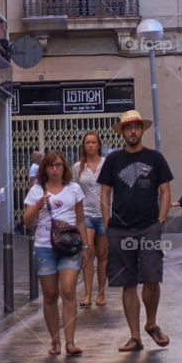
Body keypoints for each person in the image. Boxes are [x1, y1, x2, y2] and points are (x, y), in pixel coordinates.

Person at [98, 110, 173, 352]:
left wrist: (161, 221)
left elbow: (165, 191)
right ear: (122, 131)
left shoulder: (155, 158)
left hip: (149, 225)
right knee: (127, 282)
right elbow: (105, 193)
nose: (133, 131)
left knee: (152, 275)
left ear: (142, 130)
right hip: (120, 228)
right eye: (128, 127)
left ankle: (151, 323)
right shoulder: (113, 160)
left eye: (136, 127)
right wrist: (107, 222)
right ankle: (134, 336)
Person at [23, 150, 89, 356]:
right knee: (50, 295)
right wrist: (37, 206)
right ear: (45, 169)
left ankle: (70, 342)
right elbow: (26, 222)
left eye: (58, 165)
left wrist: (86, 247)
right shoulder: (36, 191)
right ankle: (55, 342)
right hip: (44, 246)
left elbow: (80, 219)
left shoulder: (74, 189)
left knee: (68, 290)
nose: (55, 169)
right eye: (51, 165)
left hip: (70, 245)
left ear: (64, 167)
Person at [72, 130, 107, 307]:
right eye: (88, 143)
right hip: (86, 214)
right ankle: (87, 293)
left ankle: (101, 293)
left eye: (94, 142)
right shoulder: (78, 167)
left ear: (99, 144)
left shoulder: (106, 164)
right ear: (84, 146)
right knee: (88, 252)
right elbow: (74, 191)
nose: (91, 145)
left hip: (104, 213)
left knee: (102, 255)